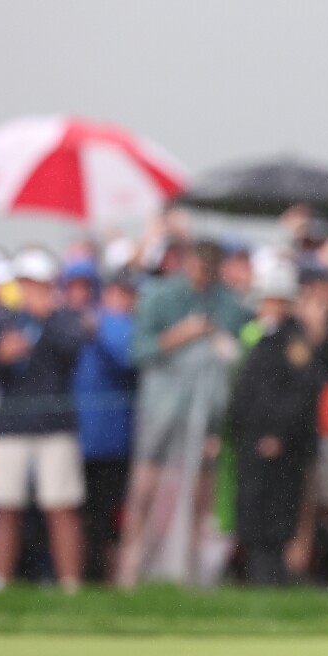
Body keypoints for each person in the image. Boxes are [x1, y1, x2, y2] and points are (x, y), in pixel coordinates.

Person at [119, 240, 250, 587]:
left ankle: (193, 575)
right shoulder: (161, 295)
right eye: (198, 266)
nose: (203, 275)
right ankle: (130, 570)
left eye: (210, 268)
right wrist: (180, 335)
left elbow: (241, 345)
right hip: (163, 409)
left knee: (200, 492)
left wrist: (224, 344)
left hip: (207, 413)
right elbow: (139, 351)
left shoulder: (228, 301)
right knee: (145, 486)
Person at [0, 249, 88, 591]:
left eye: (34, 283)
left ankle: (70, 584)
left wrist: (47, 319)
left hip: (55, 426)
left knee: (61, 506)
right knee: (6, 507)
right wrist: (0, 356)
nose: (29, 290)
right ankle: (0, 582)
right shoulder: (5, 320)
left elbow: (72, 351)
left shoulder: (63, 318)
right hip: (11, 425)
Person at [228, 263, 328, 586]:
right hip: (252, 441)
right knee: (253, 511)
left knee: (274, 512)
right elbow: (248, 391)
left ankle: (271, 579)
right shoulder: (263, 337)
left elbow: (300, 393)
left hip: (280, 445)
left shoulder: (293, 341)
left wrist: (277, 434)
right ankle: (261, 578)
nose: (266, 307)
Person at [67, 265, 138, 583]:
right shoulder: (80, 322)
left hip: (114, 441)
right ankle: (81, 577)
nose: (118, 299)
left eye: (125, 293)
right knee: (80, 514)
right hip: (81, 437)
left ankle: (107, 579)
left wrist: (104, 328)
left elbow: (127, 358)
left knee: (109, 517)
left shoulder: (117, 325)